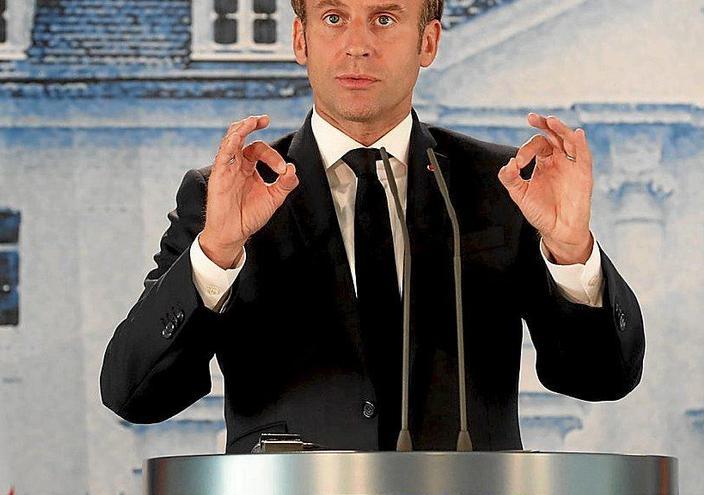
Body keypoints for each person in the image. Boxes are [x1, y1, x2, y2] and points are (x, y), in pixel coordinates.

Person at [100, 0, 644, 454]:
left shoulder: (505, 185)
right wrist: (217, 252)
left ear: (427, 42)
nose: (357, 44)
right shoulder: (226, 193)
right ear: (301, 39)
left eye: (385, 18)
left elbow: (600, 378)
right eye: (334, 18)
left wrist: (572, 251)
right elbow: (136, 394)